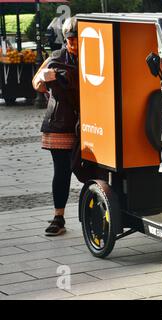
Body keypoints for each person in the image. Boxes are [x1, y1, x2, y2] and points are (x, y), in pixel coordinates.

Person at [32, 17, 79, 236]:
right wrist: (43, 79)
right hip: (60, 121)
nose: (75, 44)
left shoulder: (95, 56)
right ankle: (58, 217)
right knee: (62, 170)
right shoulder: (57, 57)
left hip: (90, 121)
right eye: (71, 39)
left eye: (78, 39)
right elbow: (36, 83)